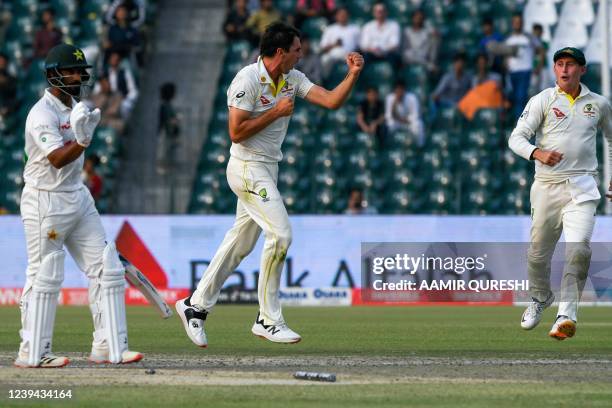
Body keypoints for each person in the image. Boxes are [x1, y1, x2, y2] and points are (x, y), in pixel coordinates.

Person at [176, 22, 364, 345]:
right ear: (280, 52)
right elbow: (235, 132)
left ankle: (195, 306)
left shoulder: (292, 79)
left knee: (240, 245)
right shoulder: (246, 79)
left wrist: (353, 74)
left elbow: (332, 101)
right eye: (297, 50)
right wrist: (276, 112)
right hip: (246, 167)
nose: (301, 55)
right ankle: (268, 318)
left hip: (268, 169)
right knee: (280, 234)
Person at [16, 43, 142, 368]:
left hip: (77, 194)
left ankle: (108, 346)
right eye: (70, 71)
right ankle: (33, 352)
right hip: (46, 197)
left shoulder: (78, 107)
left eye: (80, 71)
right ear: (53, 76)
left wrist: (81, 135)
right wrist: (83, 141)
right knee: (45, 274)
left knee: (106, 266)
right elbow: (57, 159)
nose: (77, 76)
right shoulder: (40, 115)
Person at [508, 47, 612, 340]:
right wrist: (536, 152)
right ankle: (540, 298)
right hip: (546, 187)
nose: (564, 69)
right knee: (538, 256)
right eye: (560, 64)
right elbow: (515, 138)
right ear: (555, 69)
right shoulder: (543, 99)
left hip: (582, 186)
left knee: (578, 249)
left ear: (582, 70)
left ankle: (567, 315)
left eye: (570, 65)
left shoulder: (599, 104)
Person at [505, 13, 542, 122]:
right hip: (512, 73)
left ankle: (519, 125)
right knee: (514, 98)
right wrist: (506, 64)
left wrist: (538, 67)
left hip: (525, 72)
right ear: (512, 24)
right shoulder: (509, 39)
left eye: (519, 22)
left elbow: (541, 51)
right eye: (515, 22)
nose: (518, 24)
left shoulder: (529, 37)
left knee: (520, 98)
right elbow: (506, 56)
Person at [319, 7, 360, 77]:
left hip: (349, 56)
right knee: (324, 59)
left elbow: (360, 46)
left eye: (344, 14)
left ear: (348, 16)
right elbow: (323, 48)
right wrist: (334, 45)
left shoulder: (355, 29)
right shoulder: (330, 29)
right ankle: (324, 80)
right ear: (336, 16)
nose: (342, 16)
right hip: (332, 55)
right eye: (340, 15)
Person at [359, 3, 400, 67]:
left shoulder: (394, 25)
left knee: (395, 58)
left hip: (388, 53)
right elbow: (364, 45)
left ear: (386, 12)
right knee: (363, 59)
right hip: (371, 53)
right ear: (373, 13)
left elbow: (395, 44)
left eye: (382, 11)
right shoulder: (368, 26)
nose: (380, 13)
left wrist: (383, 50)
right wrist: (373, 50)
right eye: (377, 11)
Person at [385, 80, 424, 146]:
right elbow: (388, 115)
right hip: (396, 122)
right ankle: (390, 146)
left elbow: (415, 115)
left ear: (404, 89)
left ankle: (419, 146)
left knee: (418, 124)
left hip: (408, 122)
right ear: (394, 90)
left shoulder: (412, 98)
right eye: (397, 89)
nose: (399, 92)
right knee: (389, 125)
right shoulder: (390, 98)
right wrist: (394, 103)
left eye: (401, 89)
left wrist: (406, 120)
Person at [401, 9, 439, 73]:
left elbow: (435, 33)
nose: (418, 20)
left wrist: (429, 26)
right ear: (412, 18)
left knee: (434, 39)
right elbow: (404, 51)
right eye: (416, 18)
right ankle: (428, 65)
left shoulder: (426, 32)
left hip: (422, 55)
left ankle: (430, 63)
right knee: (407, 54)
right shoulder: (406, 31)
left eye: (420, 18)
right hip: (410, 57)